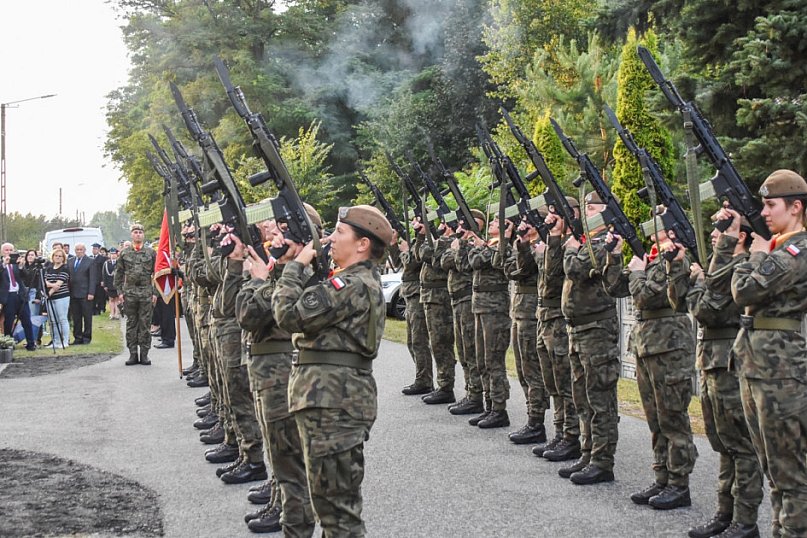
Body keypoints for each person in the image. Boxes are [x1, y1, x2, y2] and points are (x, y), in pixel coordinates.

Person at [273, 204, 392, 537]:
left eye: (340, 232)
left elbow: (288, 315)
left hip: (333, 406)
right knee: (331, 507)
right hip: (332, 403)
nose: (329, 239)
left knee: (337, 514)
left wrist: (295, 267)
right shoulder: (352, 281)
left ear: (362, 244)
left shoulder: (351, 285)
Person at [669, 214, 763, 538]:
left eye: (722, 231)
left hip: (732, 361)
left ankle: (745, 521)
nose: (713, 235)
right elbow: (681, 302)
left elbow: (708, 310)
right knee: (724, 443)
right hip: (712, 359)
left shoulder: (742, 267)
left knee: (742, 445)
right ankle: (724, 514)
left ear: (742, 236)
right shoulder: (719, 269)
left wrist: (699, 282)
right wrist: (684, 272)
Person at [730, 169, 807, 538]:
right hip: (757, 367)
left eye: (771, 205)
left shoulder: (796, 250)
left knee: (791, 475)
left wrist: (754, 254)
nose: (763, 213)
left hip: (781, 374)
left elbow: (744, 291)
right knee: (773, 471)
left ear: (795, 207)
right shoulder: (777, 247)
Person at [604, 207, 697, 503]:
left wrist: (638, 272)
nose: (648, 227)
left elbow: (646, 296)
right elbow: (615, 287)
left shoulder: (678, 259)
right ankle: (662, 477)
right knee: (655, 417)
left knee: (672, 417)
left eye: (656, 223)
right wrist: (615, 257)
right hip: (648, 343)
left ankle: (679, 484)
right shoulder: (653, 258)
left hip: (669, 344)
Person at [114, 224, 157, 365]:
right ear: (131, 235)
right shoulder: (124, 253)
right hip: (130, 293)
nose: (138, 234)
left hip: (146, 293)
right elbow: (118, 274)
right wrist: (120, 292)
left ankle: (144, 354)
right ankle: (133, 354)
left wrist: (155, 293)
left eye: (140, 232)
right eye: (135, 232)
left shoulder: (151, 253)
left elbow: (157, 274)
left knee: (145, 324)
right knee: (131, 323)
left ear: (143, 235)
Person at [0, 243, 36, 351]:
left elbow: (26, 276)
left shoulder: (16, 263)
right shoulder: (1, 264)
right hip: (8, 296)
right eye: (6, 250)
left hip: (20, 295)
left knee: (26, 320)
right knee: (8, 321)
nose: (9, 252)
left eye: (11, 250)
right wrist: (4, 265)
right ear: (2, 252)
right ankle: (9, 344)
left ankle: (31, 343)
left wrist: (21, 267)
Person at [67, 243, 97, 345]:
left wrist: (91, 292)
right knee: (76, 317)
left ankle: (86, 337)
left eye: (81, 250)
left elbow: (93, 278)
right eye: (77, 250)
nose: (79, 251)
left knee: (87, 317)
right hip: (73, 293)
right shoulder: (70, 261)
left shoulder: (90, 261)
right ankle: (77, 337)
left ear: (84, 250)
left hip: (85, 293)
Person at [44, 249, 71, 349]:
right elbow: (44, 281)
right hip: (51, 298)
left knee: (62, 319)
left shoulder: (65, 269)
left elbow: (58, 285)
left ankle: (65, 341)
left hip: (62, 297)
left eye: (60, 256)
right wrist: (52, 286)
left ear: (63, 258)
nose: (58, 257)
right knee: (53, 321)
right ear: (53, 257)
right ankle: (56, 341)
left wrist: (48, 294)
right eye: (56, 255)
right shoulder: (49, 268)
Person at [102, 248, 121, 320]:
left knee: (117, 299)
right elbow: (104, 274)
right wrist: (105, 285)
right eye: (111, 254)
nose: (113, 255)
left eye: (114, 254)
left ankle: (116, 314)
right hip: (109, 284)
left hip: (117, 284)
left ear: (117, 254)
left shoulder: (119, 263)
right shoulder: (106, 263)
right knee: (111, 299)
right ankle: (112, 313)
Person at [91, 243, 108, 315]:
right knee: (93, 295)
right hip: (92, 280)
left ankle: (101, 309)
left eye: (95, 249)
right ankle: (93, 310)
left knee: (100, 295)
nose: (94, 250)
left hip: (99, 280)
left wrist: (103, 280)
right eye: (93, 249)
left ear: (98, 250)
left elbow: (103, 270)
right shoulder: (90, 258)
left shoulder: (102, 258)